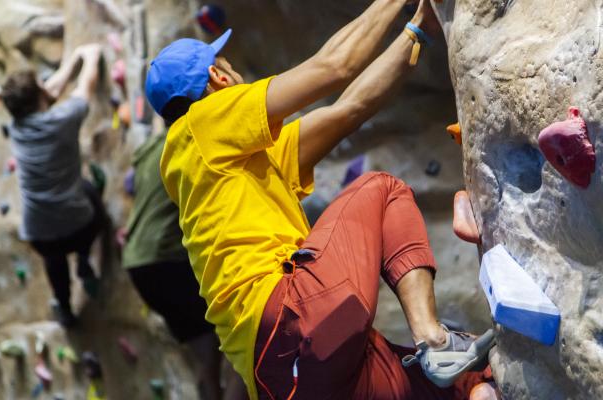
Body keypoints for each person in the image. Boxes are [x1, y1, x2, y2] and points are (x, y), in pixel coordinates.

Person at [146, 0, 498, 398]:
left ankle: (456, 368)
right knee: (380, 189)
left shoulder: (225, 163)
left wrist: (418, 29)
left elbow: (351, 107)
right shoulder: (200, 125)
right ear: (217, 77)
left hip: (284, 381)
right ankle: (434, 341)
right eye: (228, 65)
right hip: (288, 317)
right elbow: (333, 66)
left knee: (468, 382)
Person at [119, 131, 247, 400]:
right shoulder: (197, 137)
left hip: (139, 261)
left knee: (207, 359)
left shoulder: (153, 145)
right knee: (248, 342)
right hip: (167, 260)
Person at [1, 44, 106, 328]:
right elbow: (87, 85)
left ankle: (64, 307)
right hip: (80, 226)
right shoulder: (63, 119)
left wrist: (73, 58)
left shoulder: (16, 128)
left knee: (54, 259)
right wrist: (91, 57)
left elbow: (48, 93)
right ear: (39, 97)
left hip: (39, 235)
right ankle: (86, 258)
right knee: (90, 192)